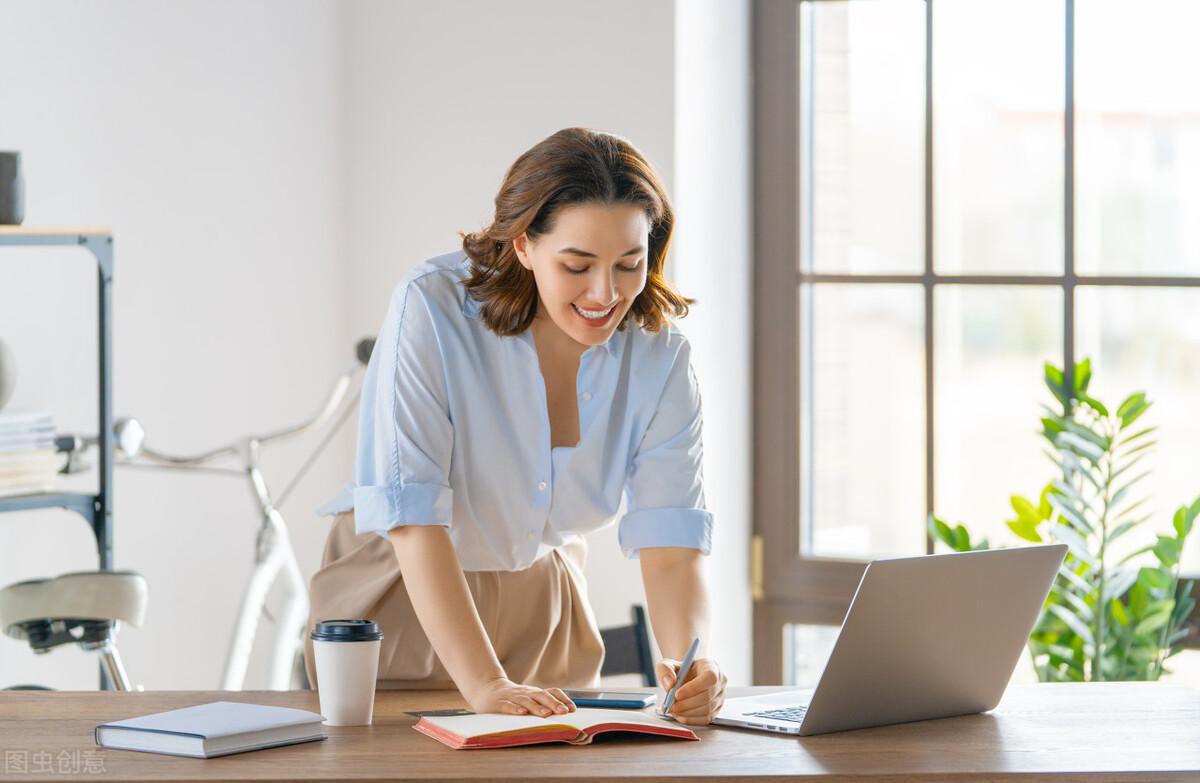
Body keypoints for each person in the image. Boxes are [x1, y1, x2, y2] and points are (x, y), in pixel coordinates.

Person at [304, 127, 727, 725]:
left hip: (544, 600)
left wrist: (690, 665)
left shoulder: (660, 354)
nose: (606, 293)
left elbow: (671, 537)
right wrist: (485, 684)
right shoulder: (433, 306)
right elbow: (413, 518)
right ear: (524, 245)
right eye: (577, 265)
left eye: (629, 264)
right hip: (403, 586)